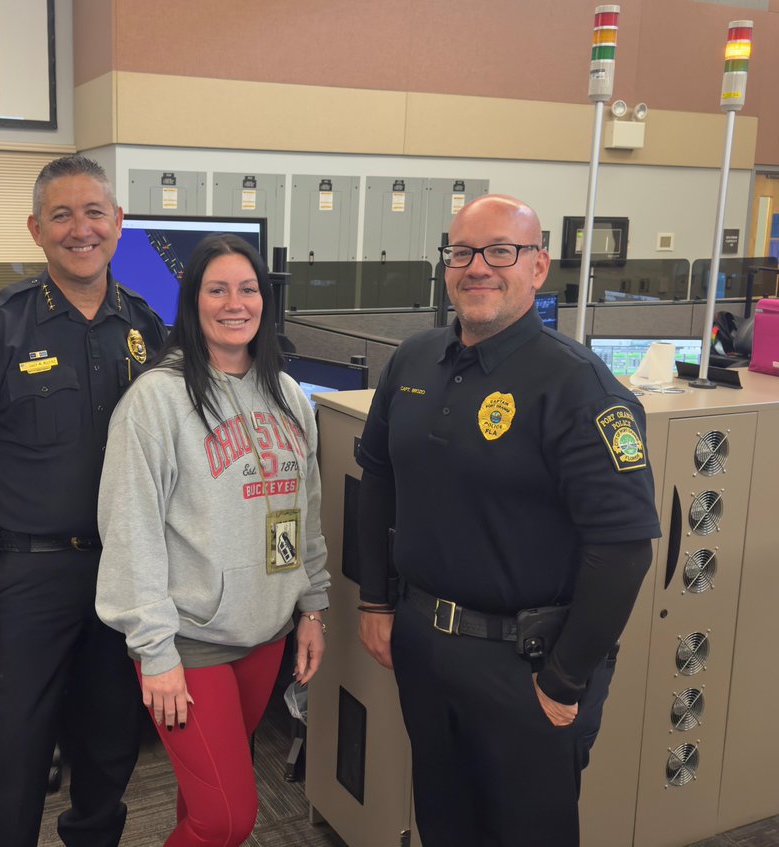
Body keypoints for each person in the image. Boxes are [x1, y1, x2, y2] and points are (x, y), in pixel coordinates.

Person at [356, 194, 661, 847]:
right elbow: (377, 475)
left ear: (538, 266)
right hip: (424, 645)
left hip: (525, 663)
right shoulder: (413, 361)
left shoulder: (578, 386)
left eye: (501, 251)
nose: (478, 267)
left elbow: (626, 543)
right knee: (444, 823)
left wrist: (565, 677)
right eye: (462, 252)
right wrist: (376, 599)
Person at [0, 154, 168, 847]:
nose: (80, 228)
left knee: (110, 745)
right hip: (25, 575)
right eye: (61, 215)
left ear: (119, 224)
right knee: (12, 754)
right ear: (35, 228)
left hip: (122, 572)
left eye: (94, 213)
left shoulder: (148, 329)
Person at [95, 234, 330, 847]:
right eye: (217, 289)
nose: (235, 303)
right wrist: (155, 651)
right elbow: (130, 530)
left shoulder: (288, 395)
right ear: (192, 302)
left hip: (265, 632)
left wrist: (312, 606)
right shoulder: (157, 399)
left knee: (202, 802)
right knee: (229, 817)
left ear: (265, 300)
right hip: (189, 640)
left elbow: (306, 510)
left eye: (248, 289)